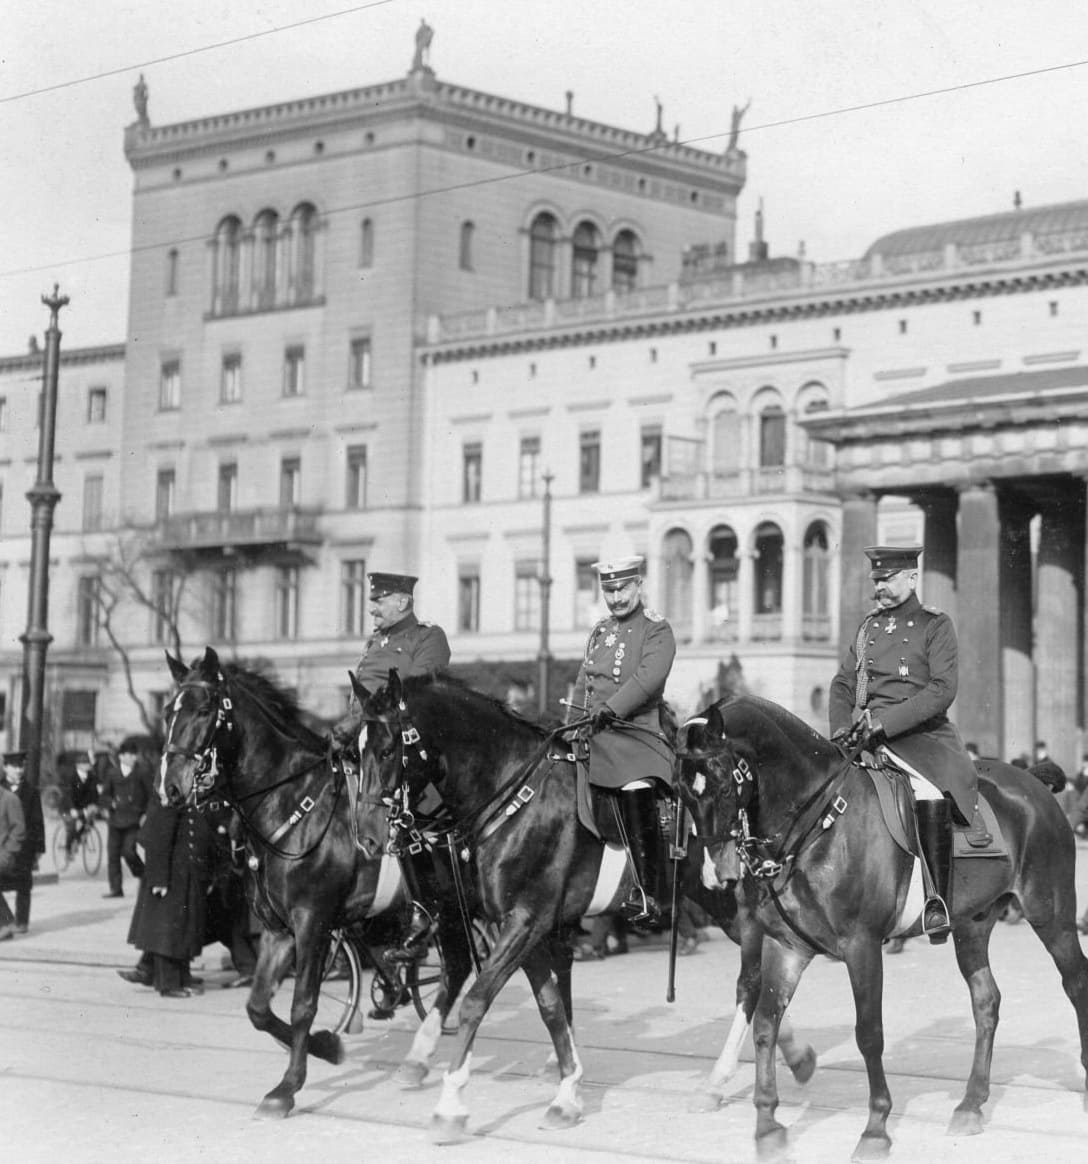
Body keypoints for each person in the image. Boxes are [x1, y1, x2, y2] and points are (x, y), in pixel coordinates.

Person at [829, 545, 978, 945]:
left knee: (928, 793)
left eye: (888, 580)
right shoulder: (868, 628)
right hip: (869, 738)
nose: (880, 588)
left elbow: (942, 690)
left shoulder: (935, 624)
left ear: (912, 578)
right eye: (876, 581)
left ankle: (936, 901)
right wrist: (842, 729)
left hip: (922, 739)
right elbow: (845, 684)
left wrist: (884, 723)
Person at [338, 571, 450, 968]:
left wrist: (358, 723)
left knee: (413, 822)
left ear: (402, 602)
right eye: (372, 600)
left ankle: (424, 910)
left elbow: (416, 693)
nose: (371, 608)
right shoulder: (375, 642)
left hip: (405, 753)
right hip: (366, 750)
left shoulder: (427, 638)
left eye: (379, 600)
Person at [567, 555, 676, 929]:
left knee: (633, 784)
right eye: (609, 591)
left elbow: (648, 679)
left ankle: (649, 891)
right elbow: (585, 685)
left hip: (637, 736)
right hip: (594, 734)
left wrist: (610, 710)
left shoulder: (656, 630)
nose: (616, 598)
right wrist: (569, 728)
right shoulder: (600, 631)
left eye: (622, 588)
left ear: (638, 585)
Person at [119, 795, 213, 997]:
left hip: (188, 873)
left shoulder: (193, 794)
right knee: (167, 932)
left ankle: (182, 976)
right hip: (170, 876)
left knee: (185, 929)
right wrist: (159, 879)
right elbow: (159, 840)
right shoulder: (171, 797)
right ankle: (168, 983)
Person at [98, 738, 151, 898]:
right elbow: (104, 795)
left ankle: (143, 875)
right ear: (121, 757)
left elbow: (150, 796)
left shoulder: (141, 773)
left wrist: (146, 815)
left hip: (134, 820)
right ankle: (116, 889)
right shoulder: (112, 773)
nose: (133, 758)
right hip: (115, 820)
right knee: (113, 854)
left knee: (129, 851)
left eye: (135, 755)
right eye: (129, 755)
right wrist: (108, 806)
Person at [1, 752, 45, 934]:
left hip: (25, 845)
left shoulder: (31, 791)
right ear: (5, 768)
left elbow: (37, 821)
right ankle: (6, 921)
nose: (19, 770)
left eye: (21, 767)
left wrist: (39, 848)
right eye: (14, 766)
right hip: (4, 846)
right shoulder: (2, 789)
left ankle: (21, 920)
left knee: (24, 885)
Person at [0, 777, 26, 941]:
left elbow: (19, 830)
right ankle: (7, 922)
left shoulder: (10, 799)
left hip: (6, 855)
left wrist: (7, 852)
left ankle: (5, 923)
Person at [62, 753, 100, 858]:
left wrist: (94, 805)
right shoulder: (71, 777)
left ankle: (77, 841)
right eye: (84, 763)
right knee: (71, 825)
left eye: (87, 763)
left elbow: (94, 793)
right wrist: (72, 809)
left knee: (89, 822)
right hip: (67, 807)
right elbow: (68, 795)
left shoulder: (91, 777)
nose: (87, 765)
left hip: (82, 807)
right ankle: (68, 849)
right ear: (78, 765)